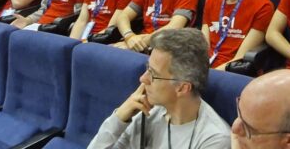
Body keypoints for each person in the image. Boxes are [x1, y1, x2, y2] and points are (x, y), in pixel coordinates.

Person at [89, 28, 230, 149]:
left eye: (153, 74)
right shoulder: (149, 113)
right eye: (147, 69)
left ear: (182, 88)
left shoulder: (214, 140)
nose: (143, 79)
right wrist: (119, 118)